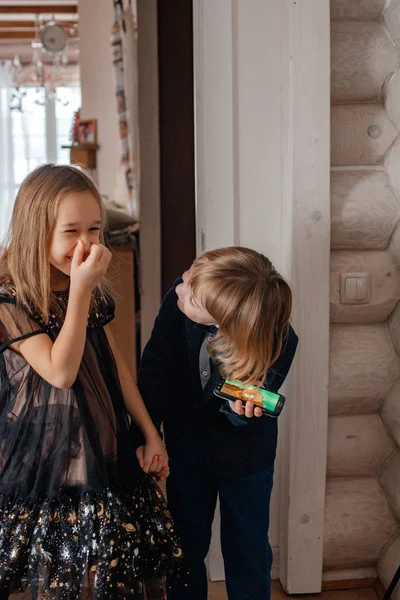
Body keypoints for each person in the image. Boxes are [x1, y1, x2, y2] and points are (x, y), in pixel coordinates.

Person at [0, 164, 184, 600]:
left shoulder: (82, 284)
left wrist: (148, 432)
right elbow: (60, 372)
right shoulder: (11, 299)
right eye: (70, 231)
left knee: (100, 566)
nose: (86, 243)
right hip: (43, 451)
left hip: (99, 445)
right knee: (55, 567)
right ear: (35, 230)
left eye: (96, 229)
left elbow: (113, 365)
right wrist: (82, 290)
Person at [137, 247, 299, 600]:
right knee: (185, 547)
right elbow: (155, 370)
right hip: (186, 450)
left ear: (224, 320)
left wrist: (240, 416)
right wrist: (146, 434)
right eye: (188, 277)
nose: (179, 288)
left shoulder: (278, 341)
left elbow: (246, 406)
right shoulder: (181, 295)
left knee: (248, 551)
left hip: (246, 459)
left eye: (190, 295)